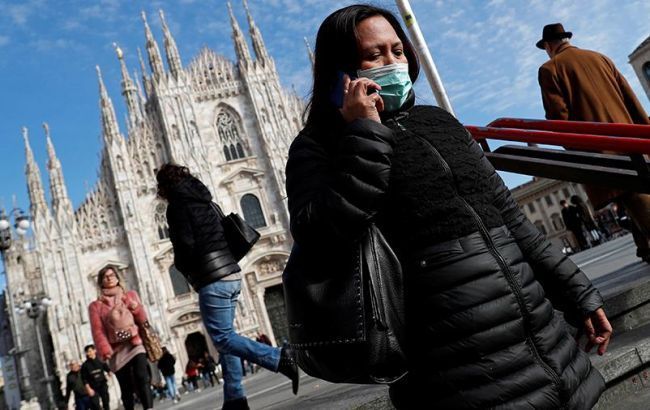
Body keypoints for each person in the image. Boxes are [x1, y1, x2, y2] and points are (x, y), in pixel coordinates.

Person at [286, 5, 612, 409]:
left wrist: (575, 291)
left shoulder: (438, 122)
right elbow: (320, 238)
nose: (392, 63)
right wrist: (364, 132)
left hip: (544, 344)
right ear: (342, 73)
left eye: (398, 50)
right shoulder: (319, 146)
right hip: (455, 367)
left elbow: (509, 215)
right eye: (375, 55)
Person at [156, 163, 298, 410]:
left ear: (165, 187)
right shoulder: (205, 200)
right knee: (228, 337)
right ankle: (235, 399)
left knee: (222, 337)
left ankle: (279, 358)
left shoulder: (177, 207)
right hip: (233, 273)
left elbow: (186, 245)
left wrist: (182, 265)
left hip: (212, 278)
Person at [536, 23, 650, 262]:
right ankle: (644, 247)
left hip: (600, 149)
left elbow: (559, 118)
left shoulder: (550, 69)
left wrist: (577, 151)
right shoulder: (601, 58)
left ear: (548, 46)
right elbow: (630, 98)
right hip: (631, 142)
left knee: (633, 195)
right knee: (635, 193)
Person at [88, 266, 154, 410]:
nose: (110, 278)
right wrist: (104, 349)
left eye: (112, 275)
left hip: (135, 342)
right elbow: (97, 330)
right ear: (100, 282)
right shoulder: (96, 306)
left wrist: (137, 308)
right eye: (106, 276)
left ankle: (149, 408)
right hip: (116, 349)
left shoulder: (130, 295)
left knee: (142, 377)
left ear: (118, 278)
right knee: (126, 387)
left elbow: (142, 319)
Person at [80, 345, 111, 410]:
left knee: (106, 402)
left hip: (102, 385)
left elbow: (109, 371)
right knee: (95, 405)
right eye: (87, 352)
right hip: (93, 387)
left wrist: (108, 376)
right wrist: (88, 389)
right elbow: (84, 379)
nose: (88, 353)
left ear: (94, 351)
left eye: (90, 351)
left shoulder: (100, 361)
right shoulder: (85, 365)